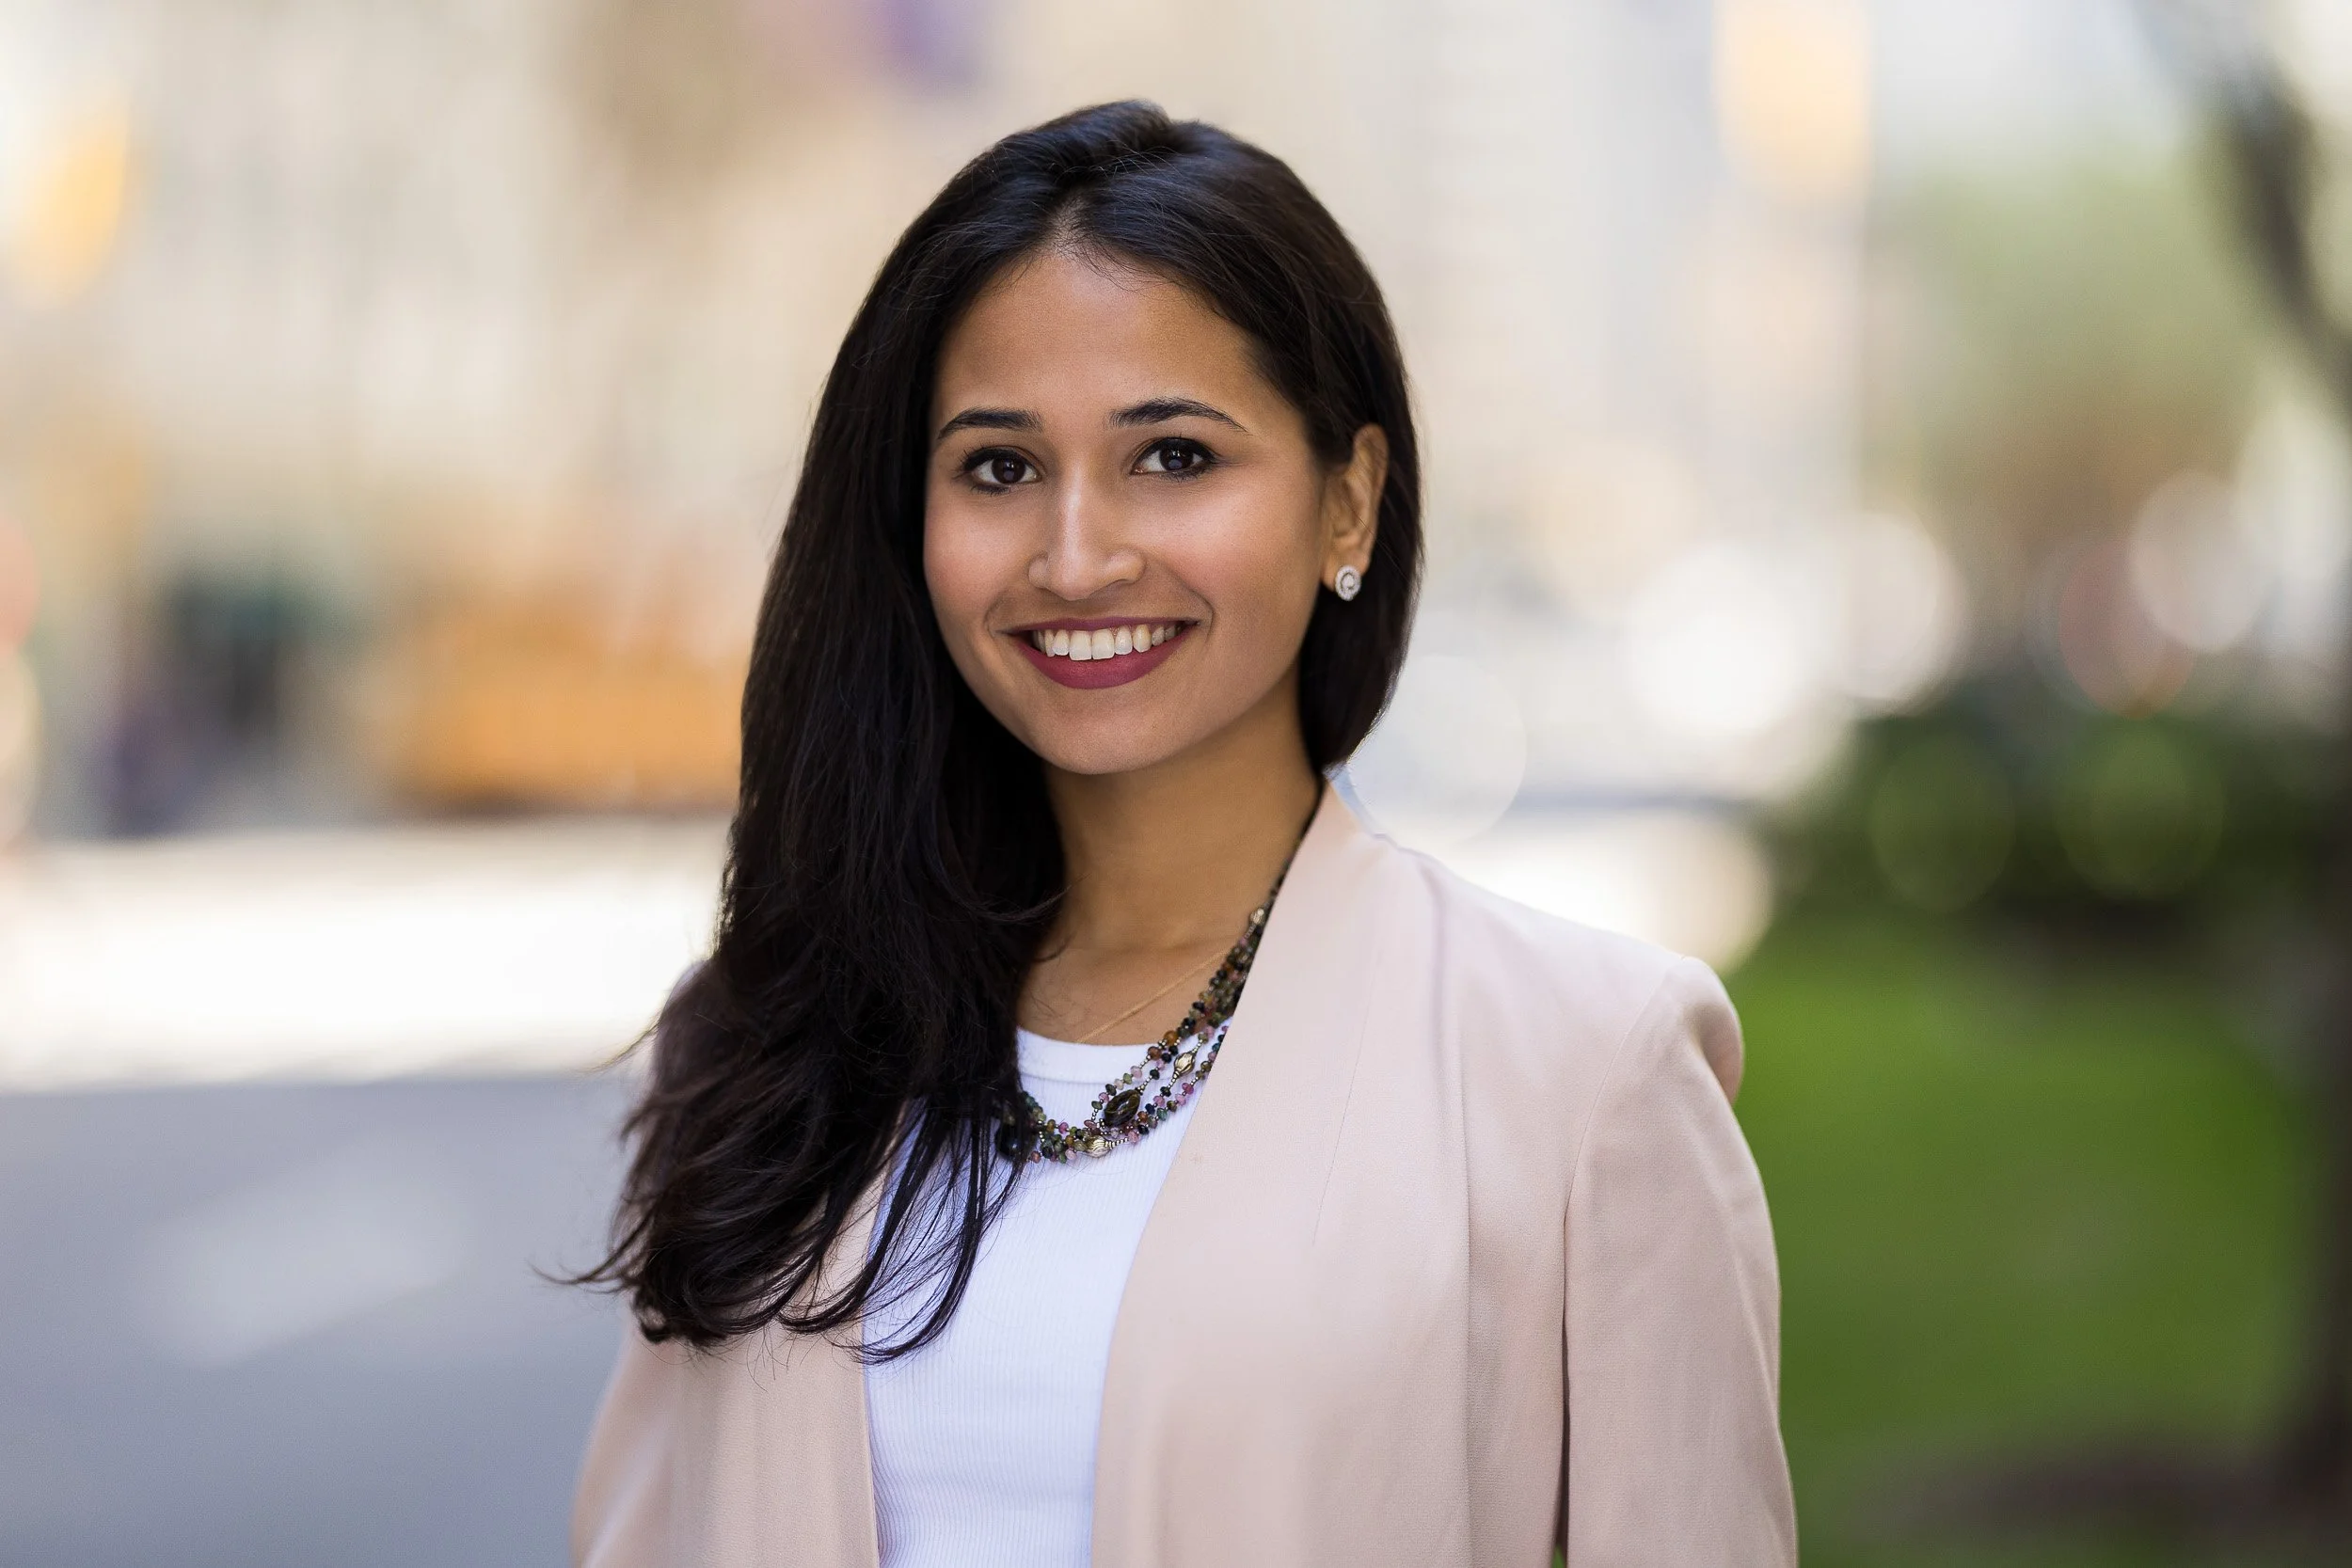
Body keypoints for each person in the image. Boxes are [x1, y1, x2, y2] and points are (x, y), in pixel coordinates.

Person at [570, 101, 1794, 1568]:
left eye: (1173, 457)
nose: (1077, 555)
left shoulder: (1585, 1074)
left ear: (1349, 502)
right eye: (1000, 468)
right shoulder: (771, 1031)